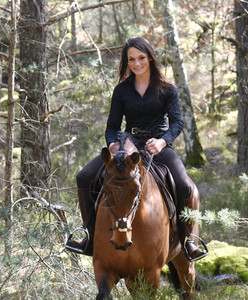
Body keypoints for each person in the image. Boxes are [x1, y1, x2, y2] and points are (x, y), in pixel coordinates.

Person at [65, 37, 206, 261]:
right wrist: (113, 144)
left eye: (141, 58)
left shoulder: (167, 89)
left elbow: (177, 123)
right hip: (127, 145)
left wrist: (162, 142)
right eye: (131, 59)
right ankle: (89, 234)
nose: (136, 63)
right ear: (126, 61)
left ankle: (188, 240)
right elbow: (112, 127)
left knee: (184, 185)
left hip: (158, 146)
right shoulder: (121, 90)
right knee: (84, 177)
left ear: (150, 57)